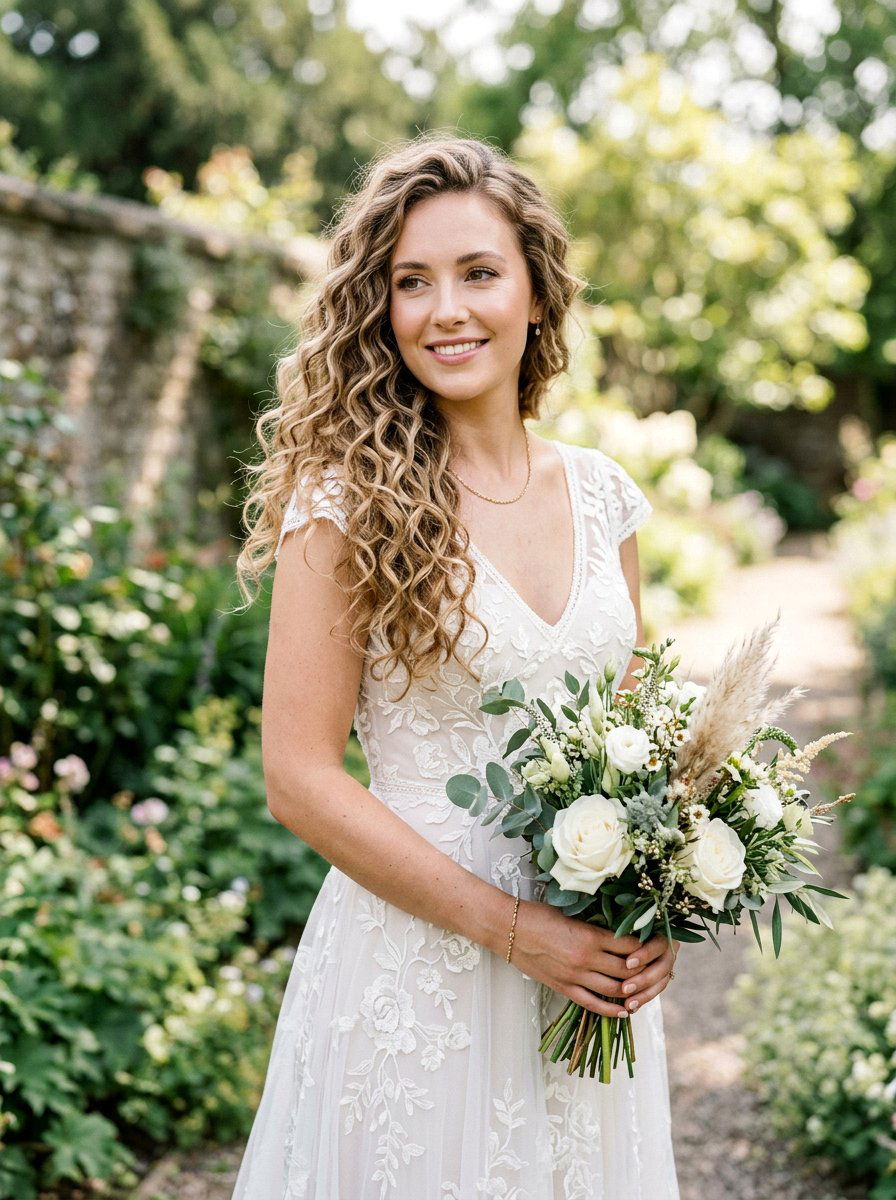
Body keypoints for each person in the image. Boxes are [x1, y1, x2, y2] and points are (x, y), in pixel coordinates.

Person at [231, 132, 680, 1199]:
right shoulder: (345, 507)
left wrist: (652, 912)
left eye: (478, 273)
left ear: (535, 291)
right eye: (410, 283)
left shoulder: (603, 494)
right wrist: (514, 931)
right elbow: (297, 775)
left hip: (583, 970)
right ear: (379, 312)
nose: (446, 311)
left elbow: (642, 722)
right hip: (416, 971)